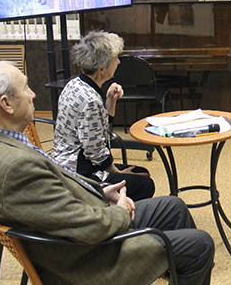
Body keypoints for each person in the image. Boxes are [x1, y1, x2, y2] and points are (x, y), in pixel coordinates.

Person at [0, 61, 231, 285]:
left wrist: (99, 193)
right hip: (89, 257)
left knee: (173, 207)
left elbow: (51, 203)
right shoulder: (16, 167)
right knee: (200, 244)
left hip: (82, 228)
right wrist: (121, 211)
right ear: (6, 104)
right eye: (26, 88)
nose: (33, 94)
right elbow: (88, 227)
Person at [53, 31, 155, 201]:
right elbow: (95, 151)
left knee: (141, 173)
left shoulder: (74, 84)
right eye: (115, 59)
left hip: (67, 163)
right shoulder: (90, 100)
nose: (118, 62)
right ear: (101, 69)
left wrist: (110, 100)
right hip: (78, 173)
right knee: (145, 184)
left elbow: (100, 128)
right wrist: (117, 172)